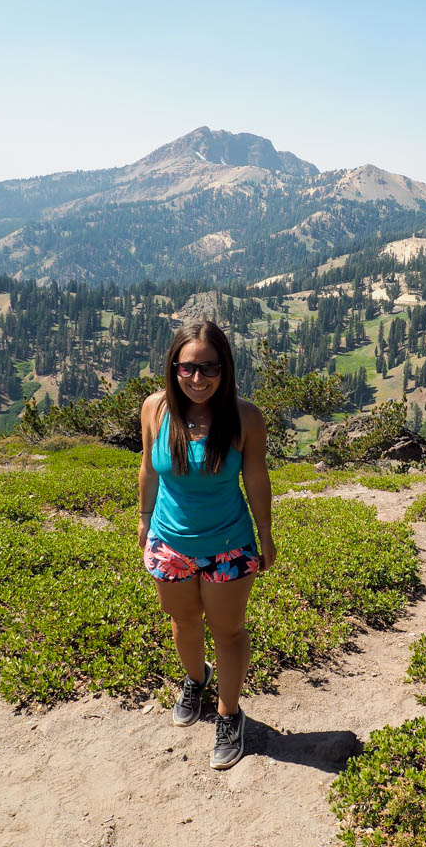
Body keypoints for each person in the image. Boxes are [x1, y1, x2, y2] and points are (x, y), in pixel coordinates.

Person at [138, 319, 276, 770]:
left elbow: (255, 477)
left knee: (228, 630)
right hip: (169, 542)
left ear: (225, 368)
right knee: (183, 620)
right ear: (173, 369)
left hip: (229, 544)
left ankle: (229, 714)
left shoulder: (244, 416)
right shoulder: (155, 410)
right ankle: (197, 680)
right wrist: (143, 518)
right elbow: (149, 468)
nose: (198, 379)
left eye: (209, 367)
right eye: (188, 369)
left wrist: (266, 533)